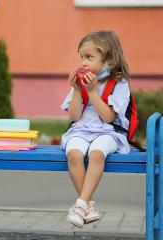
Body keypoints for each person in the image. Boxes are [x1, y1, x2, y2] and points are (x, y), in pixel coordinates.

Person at [61, 30, 131, 228]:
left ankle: (80, 204)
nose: (83, 62)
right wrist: (77, 90)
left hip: (108, 131)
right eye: (82, 57)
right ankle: (88, 206)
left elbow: (108, 117)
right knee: (74, 154)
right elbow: (74, 116)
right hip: (81, 130)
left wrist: (92, 92)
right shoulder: (81, 83)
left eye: (89, 57)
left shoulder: (119, 83)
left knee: (96, 154)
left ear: (108, 60)